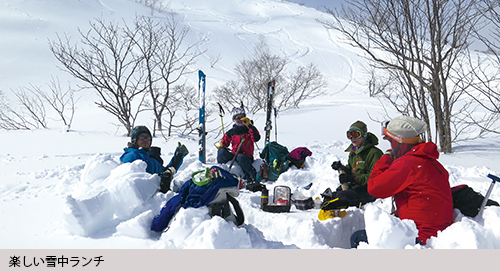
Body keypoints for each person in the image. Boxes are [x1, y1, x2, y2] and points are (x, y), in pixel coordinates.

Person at [351, 116, 453, 247]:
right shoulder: (430, 160)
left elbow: (374, 187)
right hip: (438, 231)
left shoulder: (408, 164)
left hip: (421, 236)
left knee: (356, 238)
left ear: (399, 142)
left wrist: (386, 158)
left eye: (390, 141)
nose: (390, 146)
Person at [322, 120, 383, 210]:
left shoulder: (374, 153)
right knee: (333, 195)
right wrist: (341, 167)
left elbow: (374, 178)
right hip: (356, 187)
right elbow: (351, 169)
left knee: (342, 196)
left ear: (364, 135)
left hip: (368, 191)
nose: (352, 138)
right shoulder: (354, 152)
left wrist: (353, 179)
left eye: (355, 134)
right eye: (349, 135)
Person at [120, 125, 189, 193]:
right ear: (134, 140)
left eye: (148, 137)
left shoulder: (151, 158)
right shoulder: (131, 156)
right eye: (142, 137)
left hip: (158, 197)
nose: (146, 140)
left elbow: (164, 173)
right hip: (145, 201)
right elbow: (131, 185)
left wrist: (178, 157)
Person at [216, 107, 261, 183]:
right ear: (234, 120)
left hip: (246, 157)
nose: (240, 120)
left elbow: (256, 138)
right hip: (235, 155)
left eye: (242, 117)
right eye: (238, 118)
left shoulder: (249, 129)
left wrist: (250, 126)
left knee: (241, 157)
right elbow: (225, 143)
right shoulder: (232, 132)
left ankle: (251, 176)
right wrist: (221, 145)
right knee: (221, 152)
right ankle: (221, 171)